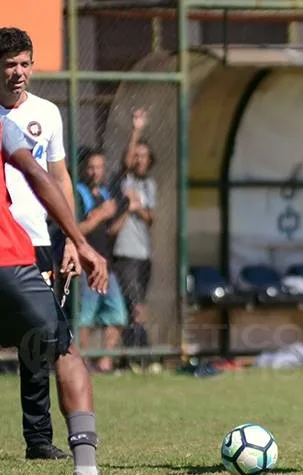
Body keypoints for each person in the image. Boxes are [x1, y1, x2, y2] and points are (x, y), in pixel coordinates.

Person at [0, 113, 107, 474]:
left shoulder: (41, 113)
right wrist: (79, 241)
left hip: (23, 254)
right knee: (64, 348)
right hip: (9, 260)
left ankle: (40, 440)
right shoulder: (2, 126)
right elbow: (37, 174)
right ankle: (87, 468)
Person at [0, 26, 79, 460]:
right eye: (9, 64)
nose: (18, 72)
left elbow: (60, 177)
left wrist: (70, 238)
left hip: (35, 242)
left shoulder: (47, 113)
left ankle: (38, 441)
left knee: (39, 342)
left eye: (24, 63)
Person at [110, 109, 156, 355]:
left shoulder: (149, 185)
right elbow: (125, 163)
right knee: (133, 305)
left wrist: (138, 208)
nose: (139, 160)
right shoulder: (124, 180)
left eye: (144, 156)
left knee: (139, 305)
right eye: (137, 155)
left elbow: (151, 217)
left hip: (143, 253)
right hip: (125, 252)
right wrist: (136, 131)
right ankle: (137, 353)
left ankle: (137, 352)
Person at [76, 148, 127, 372]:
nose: (95, 172)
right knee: (84, 318)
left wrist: (126, 211)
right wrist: (100, 215)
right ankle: (82, 362)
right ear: (83, 169)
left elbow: (111, 231)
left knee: (117, 315)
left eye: (99, 167)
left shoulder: (105, 194)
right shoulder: (78, 193)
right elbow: (75, 229)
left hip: (106, 265)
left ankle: (105, 361)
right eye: (91, 167)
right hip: (85, 265)